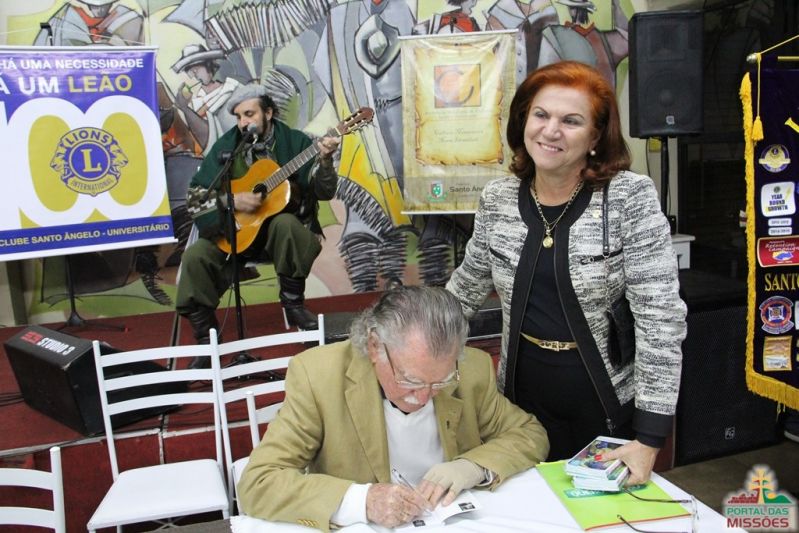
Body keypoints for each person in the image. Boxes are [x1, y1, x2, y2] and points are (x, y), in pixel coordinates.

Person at [446, 61, 686, 486]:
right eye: (541, 115)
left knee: (599, 515)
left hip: (605, 404)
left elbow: (660, 319)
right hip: (519, 407)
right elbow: (465, 289)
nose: (551, 130)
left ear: (595, 137)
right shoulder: (499, 198)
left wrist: (649, 437)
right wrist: (412, 340)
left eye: (571, 121)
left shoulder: (628, 197)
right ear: (524, 121)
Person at [238, 286, 549, 530]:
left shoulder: (472, 369)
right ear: (375, 347)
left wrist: (472, 467)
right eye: (410, 380)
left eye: (440, 381)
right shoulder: (318, 376)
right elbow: (258, 483)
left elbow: (529, 434)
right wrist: (362, 501)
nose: (423, 397)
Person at [176, 83, 340, 367]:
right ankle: (206, 339)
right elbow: (194, 198)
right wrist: (231, 200)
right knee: (195, 256)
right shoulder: (226, 147)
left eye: (249, 114)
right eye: (239, 117)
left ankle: (294, 305)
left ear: (268, 113)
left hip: (276, 239)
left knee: (287, 224)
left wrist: (325, 161)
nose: (243, 122)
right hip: (235, 233)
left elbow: (324, 191)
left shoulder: (295, 143)